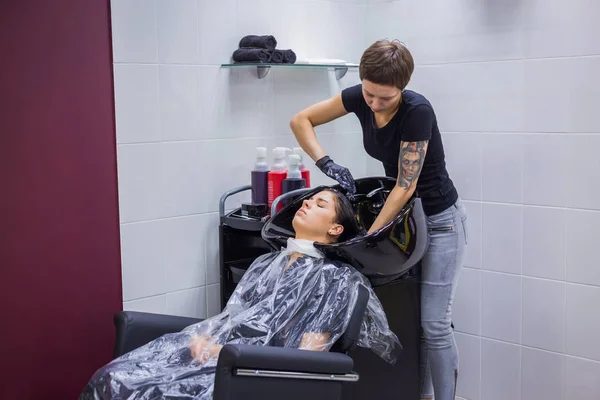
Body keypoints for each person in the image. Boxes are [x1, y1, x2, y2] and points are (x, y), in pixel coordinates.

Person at [79, 189, 401, 400]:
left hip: (249, 377)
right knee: (114, 379)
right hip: (215, 361)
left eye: (320, 204)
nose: (306, 202)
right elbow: (232, 321)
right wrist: (203, 339)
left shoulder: (337, 281)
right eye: (308, 199)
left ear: (335, 229)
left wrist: (226, 353)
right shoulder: (266, 264)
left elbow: (309, 360)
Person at [290, 40, 468, 400]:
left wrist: (368, 237)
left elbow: (405, 186)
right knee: (413, 318)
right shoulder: (360, 95)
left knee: (434, 322)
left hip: (439, 221)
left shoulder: (418, 111)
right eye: (369, 94)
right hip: (404, 221)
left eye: (384, 98)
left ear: (401, 88)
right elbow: (301, 120)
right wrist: (327, 163)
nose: (373, 103)